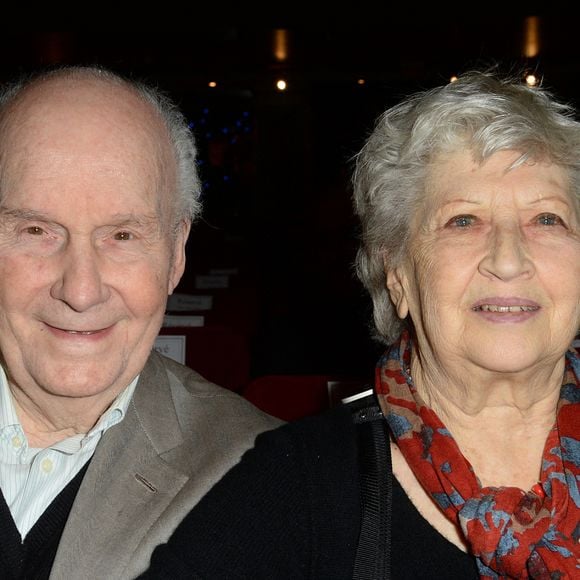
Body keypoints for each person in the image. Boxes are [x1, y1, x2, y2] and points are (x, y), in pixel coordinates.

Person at [141, 70, 580, 579]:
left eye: (547, 219)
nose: (509, 260)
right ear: (397, 274)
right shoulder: (300, 486)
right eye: (463, 221)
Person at [0, 66, 281, 579]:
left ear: (176, 253)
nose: (80, 291)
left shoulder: (266, 480)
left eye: (123, 236)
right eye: (36, 230)